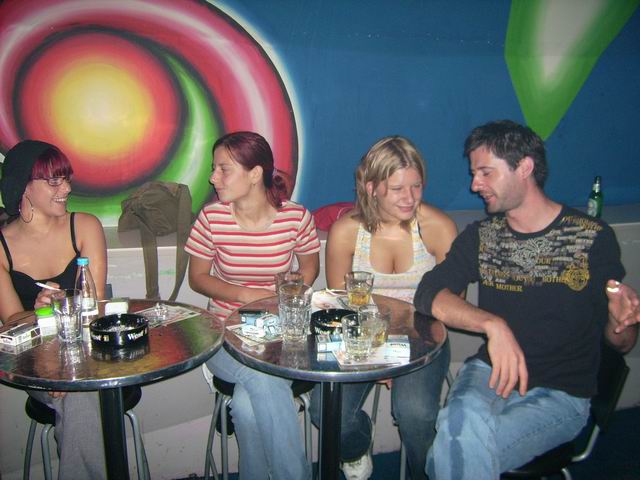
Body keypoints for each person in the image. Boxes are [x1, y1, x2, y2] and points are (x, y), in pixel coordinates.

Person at [414, 120, 640, 480]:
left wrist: (620, 322)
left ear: (524, 167)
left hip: (561, 392)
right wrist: (493, 325)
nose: (475, 185)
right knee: (460, 443)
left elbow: (623, 344)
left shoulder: (591, 238)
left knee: (451, 450)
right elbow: (428, 292)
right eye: (474, 174)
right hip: (488, 373)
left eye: (485, 172)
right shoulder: (483, 236)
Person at [311, 136, 457, 480]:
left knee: (416, 414)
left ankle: (424, 474)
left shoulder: (438, 228)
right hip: (361, 337)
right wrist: (377, 354)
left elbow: (449, 303)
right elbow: (340, 304)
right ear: (372, 187)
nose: (410, 197)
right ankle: (357, 445)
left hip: (423, 337)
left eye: (416, 186)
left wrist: (400, 354)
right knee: (324, 411)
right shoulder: (347, 231)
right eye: (397, 189)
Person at [185, 131, 320, 480]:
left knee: (246, 407)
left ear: (255, 173)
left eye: (223, 169)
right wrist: (247, 295)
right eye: (214, 168)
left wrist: (292, 291)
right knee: (261, 376)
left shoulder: (296, 217)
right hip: (223, 336)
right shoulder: (212, 218)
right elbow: (197, 278)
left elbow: (310, 266)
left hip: (280, 336)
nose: (213, 178)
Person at [0, 140, 108, 479]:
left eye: (66, 179)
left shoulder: (85, 226)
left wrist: (70, 367)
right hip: (35, 358)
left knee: (77, 392)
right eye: (54, 181)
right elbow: (11, 322)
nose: (67, 189)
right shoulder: (2, 246)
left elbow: (95, 309)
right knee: (77, 396)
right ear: (24, 187)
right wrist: (40, 312)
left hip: (88, 353)